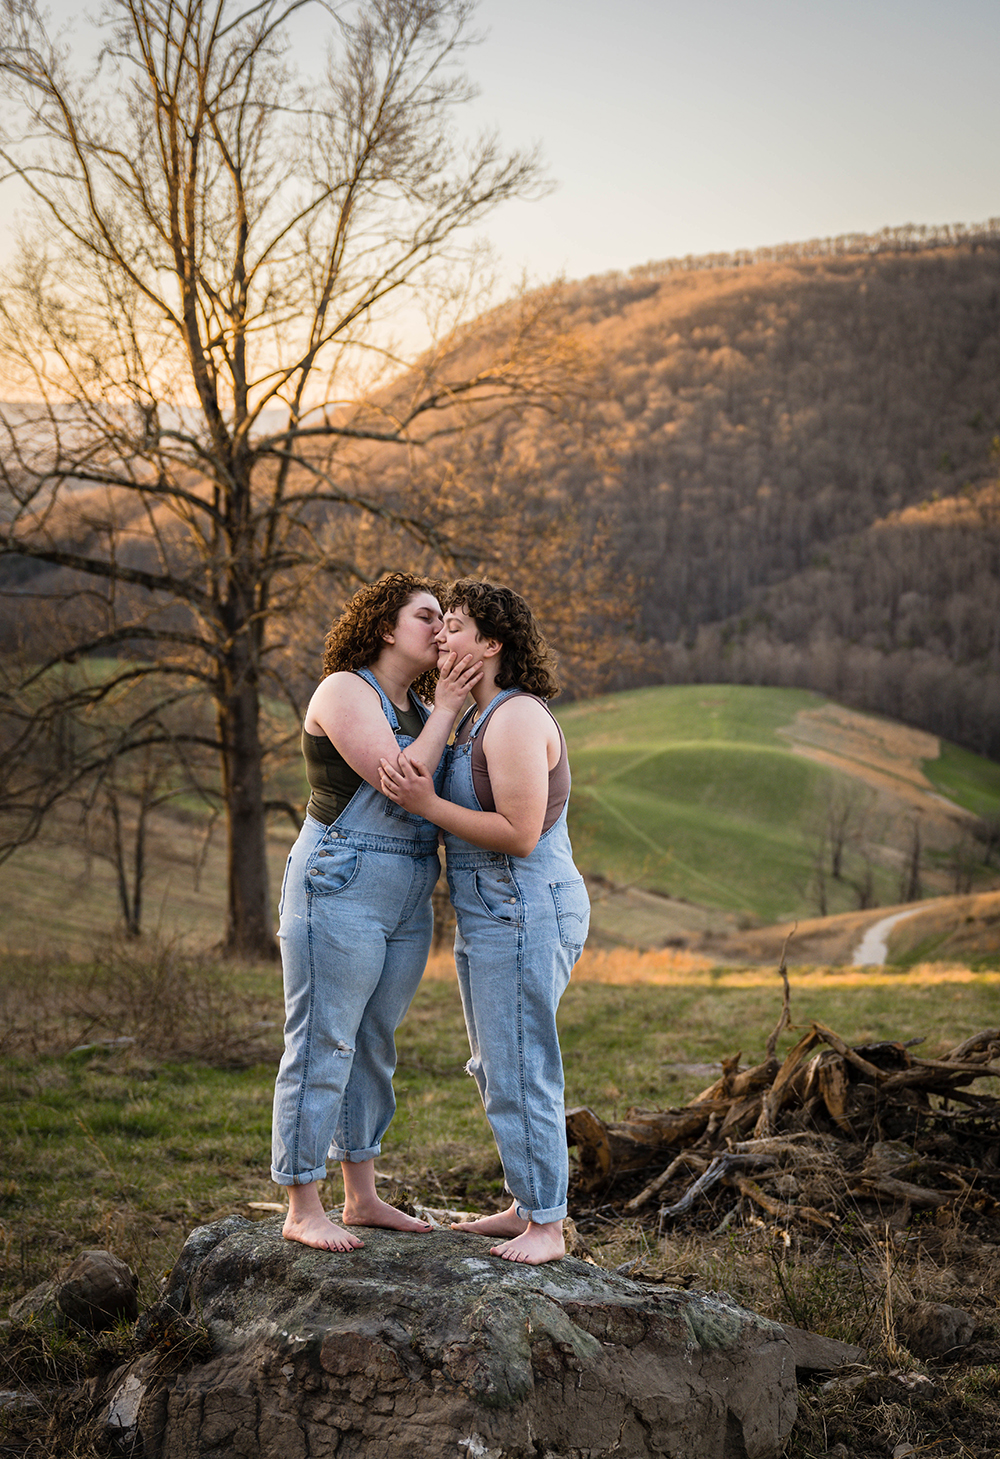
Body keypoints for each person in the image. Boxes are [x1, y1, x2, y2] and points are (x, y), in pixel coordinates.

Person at [379, 580, 590, 1264]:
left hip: (526, 905)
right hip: (489, 911)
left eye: (457, 626)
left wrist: (426, 804)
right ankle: (526, 1202)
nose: (441, 635)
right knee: (494, 1064)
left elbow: (521, 832)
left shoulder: (519, 717)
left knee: (522, 1063)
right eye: (438, 626)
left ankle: (548, 1227)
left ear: (493, 643)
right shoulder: (474, 718)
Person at [272, 572, 481, 1252]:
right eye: (427, 617)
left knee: (372, 1042)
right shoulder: (344, 688)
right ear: (387, 628)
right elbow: (402, 781)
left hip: (409, 891)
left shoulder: (424, 710)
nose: (440, 629)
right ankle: (303, 1203)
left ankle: (360, 1196)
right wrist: (448, 706)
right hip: (341, 881)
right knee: (323, 1038)